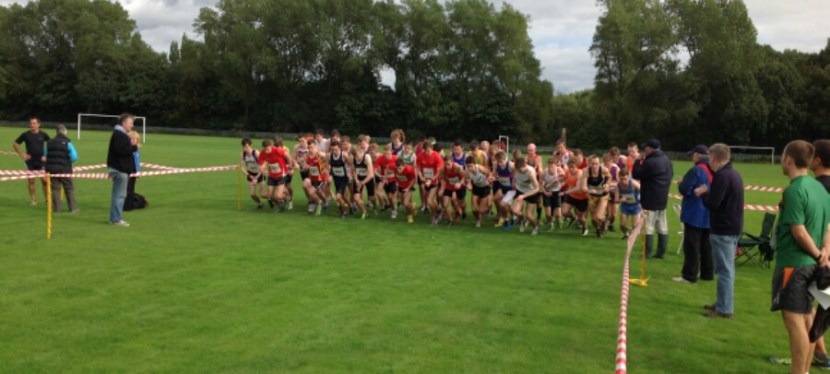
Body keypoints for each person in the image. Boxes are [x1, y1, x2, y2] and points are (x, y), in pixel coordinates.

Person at [769, 140, 830, 374]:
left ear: (789, 159)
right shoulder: (819, 189)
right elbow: (827, 228)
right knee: (806, 319)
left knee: (794, 322)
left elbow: (798, 230)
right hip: (812, 264)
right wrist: (824, 253)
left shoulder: (795, 189)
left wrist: (817, 253)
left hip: (794, 264)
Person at [693, 143, 743, 319]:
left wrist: (704, 193)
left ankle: (724, 308)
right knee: (726, 269)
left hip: (723, 228)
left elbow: (714, 203)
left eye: (710, 158)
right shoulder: (734, 174)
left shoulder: (722, 176)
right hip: (732, 226)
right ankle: (723, 302)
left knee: (724, 270)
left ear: (714, 158)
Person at [673, 145, 714, 284]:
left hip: (694, 213)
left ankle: (689, 275)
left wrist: (680, 184)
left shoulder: (696, 170)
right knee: (706, 246)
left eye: (693, 155)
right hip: (709, 213)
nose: (692, 157)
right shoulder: (714, 170)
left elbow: (685, 190)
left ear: (697, 155)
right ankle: (707, 273)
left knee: (691, 246)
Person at [633, 139, 674, 258]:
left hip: (650, 196)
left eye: (646, 148)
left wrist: (637, 161)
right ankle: (661, 252)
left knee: (648, 225)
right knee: (662, 224)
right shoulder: (667, 159)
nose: (644, 150)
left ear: (650, 148)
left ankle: (647, 252)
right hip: (662, 196)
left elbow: (636, 174)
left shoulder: (649, 161)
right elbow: (671, 175)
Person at [107, 113, 138, 227]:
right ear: (124, 122)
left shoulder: (119, 134)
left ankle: (114, 218)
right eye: (130, 122)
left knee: (118, 195)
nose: (132, 125)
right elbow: (122, 151)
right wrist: (133, 147)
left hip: (119, 168)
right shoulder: (120, 135)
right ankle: (116, 219)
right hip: (120, 170)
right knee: (119, 196)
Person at [13, 117, 50, 206]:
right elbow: (15, 143)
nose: (32, 125)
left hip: (41, 162)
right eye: (31, 123)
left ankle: (47, 200)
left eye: (34, 123)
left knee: (45, 181)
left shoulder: (43, 134)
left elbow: (51, 144)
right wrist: (22, 155)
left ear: (38, 124)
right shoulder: (26, 135)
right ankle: (33, 200)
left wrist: (46, 155)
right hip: (30, 162)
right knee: (31, 181)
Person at [44, 124, 78, 213]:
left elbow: (45, 155)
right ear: (65, 132)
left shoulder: (49, 142)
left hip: (52, 169)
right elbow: (74, 157)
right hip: (64, 169)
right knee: (69, 188)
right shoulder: (68, 143)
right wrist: (67, 161)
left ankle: (57, 209)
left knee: (55, 189)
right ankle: (73, 208)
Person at [509, 157, 542, 235]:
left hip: (531, 192)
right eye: (517, 170)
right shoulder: (515, 168)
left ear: (524, 166)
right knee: (515, 211)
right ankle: (523, 220)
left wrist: (524, 196)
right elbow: (514, 173)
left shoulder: (530, 173)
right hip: (520, 190)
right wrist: (514, 182)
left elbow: (537, 189)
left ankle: (535, 227)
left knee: (529, 216)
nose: (519, 171)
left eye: (520, 170)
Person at [258, 138, 292, 211]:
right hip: (272, 175)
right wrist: (262, 169)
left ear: (270, 146)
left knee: (278, 196)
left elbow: (288, 156)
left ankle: (287, 196)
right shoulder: (263, 153)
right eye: (265, 149)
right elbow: (260, 163)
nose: (266, 151)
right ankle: (281, 206)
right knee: (270, 196)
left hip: (281, 174)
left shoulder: (277, 150)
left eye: (268, 149)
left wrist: (290, 166)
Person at [584, 155, 612, 238]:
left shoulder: (603, 170)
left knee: (599, 216)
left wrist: (607, 184)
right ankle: (599, 228)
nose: (594, 166)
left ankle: (604, 222)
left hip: (603, 195)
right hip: (592, 196)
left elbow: (609, 177)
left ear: (599, 164)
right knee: (593, 219)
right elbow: (582, 186)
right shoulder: (586, 171)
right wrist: (589, 190)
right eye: (592, 164)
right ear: (589, 163)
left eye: (596, 164)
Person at [438, 153, 467, 225]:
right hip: (449, 186)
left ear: (452, 162)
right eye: (446, 164)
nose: (447, 166)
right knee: (445, 204)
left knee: (461, 203)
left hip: (460, 187)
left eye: (449, 164)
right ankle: (450, 219)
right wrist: (442, 187)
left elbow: (464, 176)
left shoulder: (457, 167)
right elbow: (441, 179)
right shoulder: (442, 169)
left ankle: (462, 211)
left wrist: (460, 183)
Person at [465, 156, 491, 228]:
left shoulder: (480, 168)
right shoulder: (467, 171)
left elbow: (489, 173)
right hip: (476, 188)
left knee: (481, 210)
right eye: (468, 166)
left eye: (471, 166)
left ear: (474, 164)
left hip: (485, 188)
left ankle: (485, 211)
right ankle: (478, 220)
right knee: (474, 209)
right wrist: (469, 184)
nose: (470, 168)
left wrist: (489, 180)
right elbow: (468, 179)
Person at [616, 168, 641, 239]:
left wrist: (641, 201)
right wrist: (621, 200)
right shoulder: (618, 186)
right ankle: (627, 233)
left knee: (635, 226)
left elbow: (643, 190)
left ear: (628, 176)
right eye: (621, 179)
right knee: (622, 225)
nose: (623, 181)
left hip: (635, 206)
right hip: (625, 206)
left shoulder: (633, 183)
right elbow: (616, 199)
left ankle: (635, 231)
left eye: (625, 179)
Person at [240, 138, 266, 209]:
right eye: (244, 146)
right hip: (251, 174)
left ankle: (272, 198)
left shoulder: (256, 153)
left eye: (246, 146)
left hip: (260, 173)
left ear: (250, 145)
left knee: (262, 194)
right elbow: (241, 167)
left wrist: (256, 178)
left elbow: (263, 166)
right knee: (252, 194)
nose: (245, 148)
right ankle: (260, 203)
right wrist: (250, 176)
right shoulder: (243, 154)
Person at [541, 156, 565, 231]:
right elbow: (540, 185)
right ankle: (551, 224)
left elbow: (564, 177)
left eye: (552, 166)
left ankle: (559, 220)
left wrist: (558, 181)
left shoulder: (559, 170)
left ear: (556, 165)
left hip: (556, 192)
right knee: (548, 213)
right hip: (547, 191)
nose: (550, 168)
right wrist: (545, 192)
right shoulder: (545, 172)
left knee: (558, 214)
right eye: (549, 166)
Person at [394, 158, 418, 223]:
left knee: (405, 203)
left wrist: (408, 188)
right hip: (400, 186)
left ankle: (409, 215)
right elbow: (389, 170)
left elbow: (414, 180)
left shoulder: (409, 169)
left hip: (408, 187)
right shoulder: (395, 168)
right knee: (403, 203)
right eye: (397, 168)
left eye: (400, 168)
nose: (399, 170)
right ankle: (413, 206)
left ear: (403, 165)